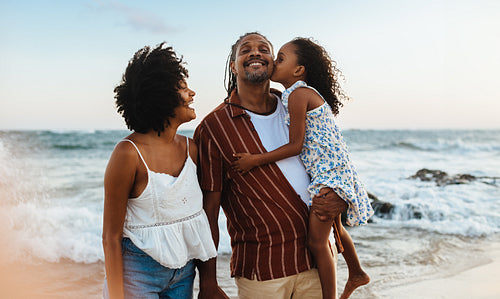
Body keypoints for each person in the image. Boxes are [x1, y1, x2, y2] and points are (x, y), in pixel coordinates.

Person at [194, 32, 347, 299]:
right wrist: (207, 282)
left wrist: (342, 199)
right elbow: (209, 211)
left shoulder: (298, 106)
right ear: (233, 65)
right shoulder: (213, 128)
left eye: (264, 49)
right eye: (245, 50)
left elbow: (335, 159)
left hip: (318, 262)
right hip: (263, 268)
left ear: (273, 63)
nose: (255, 53)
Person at [230, 37, 374, 299]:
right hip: (334, 171)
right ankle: (356, 271)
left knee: (317, 242)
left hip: (329, 175)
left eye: (280, 58)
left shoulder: (297, 94)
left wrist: (254, 160)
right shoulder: (295, 95)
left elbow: (295, 145)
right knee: (335, 228)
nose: (273, 61)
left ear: (298, 70)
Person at [102, 43, 218, 299]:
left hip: (184, 272)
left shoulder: (192, 149)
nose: (192, 93)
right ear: (160, 95)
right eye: (183, 87)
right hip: (138, 272)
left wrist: (209, 282)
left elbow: (197, 220)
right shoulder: (128, 154)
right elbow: (110, 237)